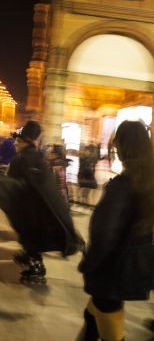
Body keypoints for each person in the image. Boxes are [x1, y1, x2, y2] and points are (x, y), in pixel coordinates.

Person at [78, 120, 154, 341]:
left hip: (110, 272)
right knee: (92, 314)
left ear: (121, 147)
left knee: (110, 324)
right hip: (128, 269)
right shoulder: (147, 183)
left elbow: (104, 238)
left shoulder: (122, 188)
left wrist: (88, 264)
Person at [0, 120, 84, 284]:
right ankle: (32, 263)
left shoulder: (22, 159)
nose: (16, 143)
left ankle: (36, 269)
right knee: (30, 240)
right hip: (36, 212)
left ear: (27, 142)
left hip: (28, 212)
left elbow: (15, 185)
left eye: (19, 140)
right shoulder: (39, 159)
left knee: (30, 241)